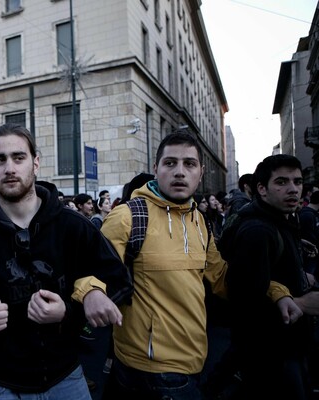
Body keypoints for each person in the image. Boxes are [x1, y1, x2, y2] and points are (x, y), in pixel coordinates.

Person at [0, 123, 133, 399]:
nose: (10, 168)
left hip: (66, 375)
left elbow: (119, 280)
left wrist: (80, 303)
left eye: (19, 157)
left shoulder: (73, 226)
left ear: (35, 163)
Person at [99, 131, 291, 399]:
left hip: (195, 359)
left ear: (201, 172)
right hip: (152, 369)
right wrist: (92, 293)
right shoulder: (127, 216)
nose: (180, 172)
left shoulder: (198, 220)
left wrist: (276, 291)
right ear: (156, 169)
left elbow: (223, 279)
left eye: (189, 164)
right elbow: (93, 269)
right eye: (170, 163)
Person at [220, 154, 319, 400]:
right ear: (262, 189)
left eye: (297, 182)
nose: (293, 189)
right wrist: (302, 304)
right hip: (271, 357)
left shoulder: (282, 219)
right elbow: (244, 301)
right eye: (282, 182)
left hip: (288, 349)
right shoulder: (258, 230)